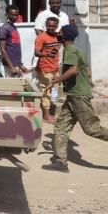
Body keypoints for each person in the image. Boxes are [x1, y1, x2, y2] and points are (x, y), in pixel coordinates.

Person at [42, 23, 108, 173]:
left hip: (78, 95)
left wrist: (55, 80)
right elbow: (87, 72)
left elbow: (73, 70)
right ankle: (61, 162)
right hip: (74, 94)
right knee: (61, 127)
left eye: (60, 32)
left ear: (64, 36)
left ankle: (60, 161)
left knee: (92, 129)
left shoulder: (69, 50)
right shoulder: (78, 50)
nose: (58, 34)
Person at [34, 17, 61, 124]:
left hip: (55, 69)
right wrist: (46, 54)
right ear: (46, 25)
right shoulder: (41, 37)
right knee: (46, 92)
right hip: (45, 69)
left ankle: (49, 112)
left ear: (56, 27)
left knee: (53, 92)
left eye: (53, 26)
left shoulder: (57, 36)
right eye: (49, 25)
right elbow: (36, 52)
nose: (51, 28)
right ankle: (47, 116)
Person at [0, 5, 28, 78]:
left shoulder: (13, 27)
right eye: (12, 15)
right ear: (7, 15)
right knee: (11, 88)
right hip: (10, 66)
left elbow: (15, 47)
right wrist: (11, 66)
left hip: (16, 64)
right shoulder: (4, 29)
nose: (15, 17)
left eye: (16, 15)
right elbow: (2, 49)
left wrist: (20, 64)